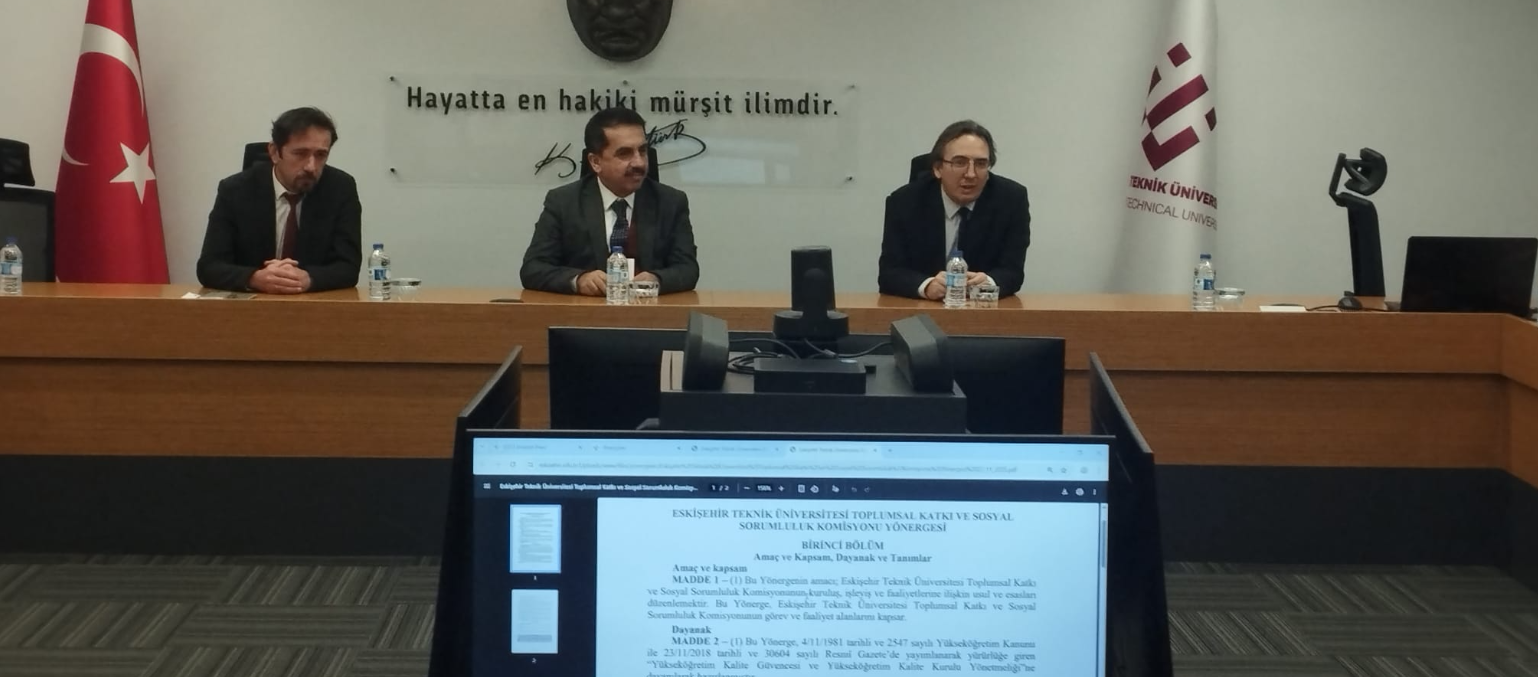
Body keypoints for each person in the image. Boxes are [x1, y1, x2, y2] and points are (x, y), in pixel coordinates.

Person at [520, 107, 699, 295]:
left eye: (642, 150)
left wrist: (657, 279)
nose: (639, 162)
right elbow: (533, 268)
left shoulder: (671, 202)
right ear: (595, 162)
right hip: (587, 310)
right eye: (625, 153)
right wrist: (579, 280)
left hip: (648, 308)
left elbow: (688, 269)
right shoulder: (563, 202)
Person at [196, 107, 362, 294]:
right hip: (254, 306)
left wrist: (309, 278)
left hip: (313, 305)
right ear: (275, 152)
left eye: (321, 155)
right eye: (300, 153)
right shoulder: (235, 190)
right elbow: (209, 266)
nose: (311, 166)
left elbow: (348, 267)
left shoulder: (340, 189)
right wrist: (254, 278)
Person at [877, 120, 1030, 300]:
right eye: (960, 162)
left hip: (981, 310)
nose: (971, 174)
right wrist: (927, 285)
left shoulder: (1011, 200)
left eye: (981, 164)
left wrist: (989, 282)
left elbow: (1012, 271)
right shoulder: (904, 202)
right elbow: (889, 273)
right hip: (923, 310)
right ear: (937, 169)